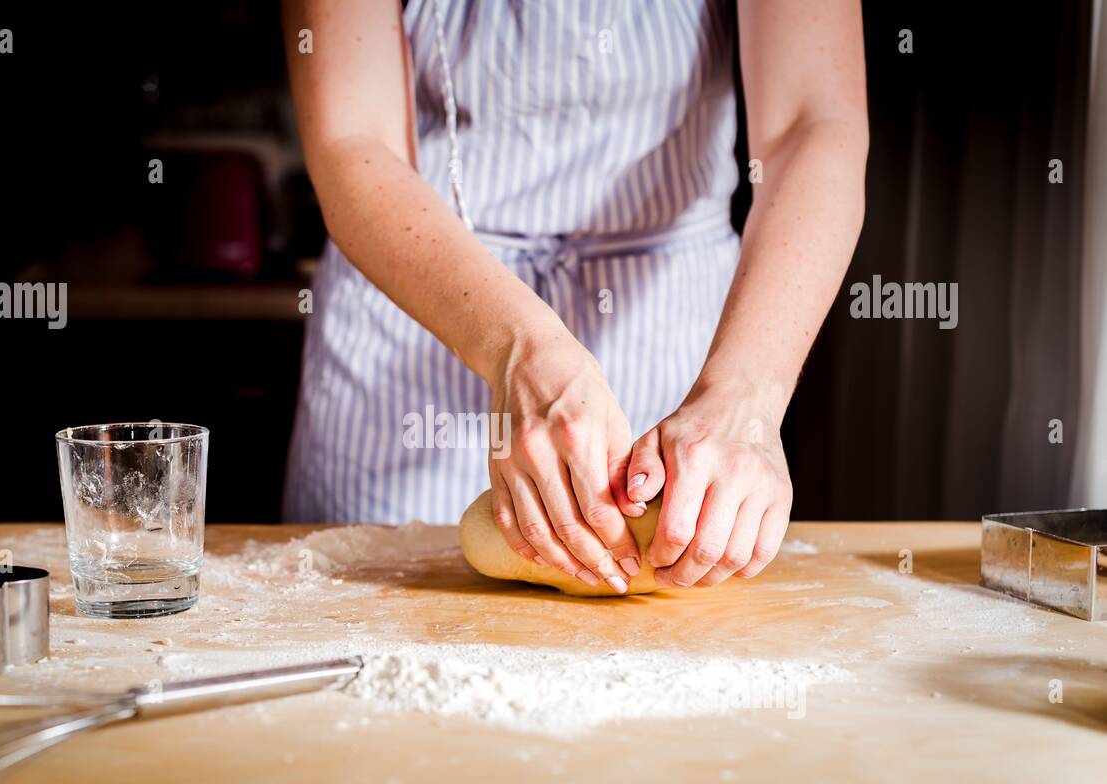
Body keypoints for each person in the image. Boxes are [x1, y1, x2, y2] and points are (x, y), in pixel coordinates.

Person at [282, 0, 867, 594]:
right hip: (419, 299)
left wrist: (743, 391)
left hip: (674, 331)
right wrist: (517, 344)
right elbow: (354, 139)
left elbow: (811, 125)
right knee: (368, 615)